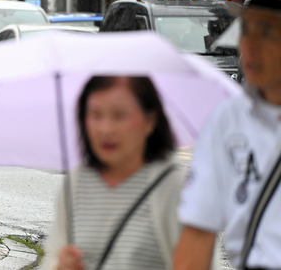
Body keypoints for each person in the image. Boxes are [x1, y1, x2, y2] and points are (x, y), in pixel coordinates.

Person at [174, 0, 281, 270]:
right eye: (246, 29)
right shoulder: (227, 120)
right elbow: (198, 231)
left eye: (267, 31)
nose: (251, 45)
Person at [44, 76, 185, 270]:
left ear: (150, 120)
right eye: (95, 114)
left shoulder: (174, 187)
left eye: (119, 115)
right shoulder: (76, 184)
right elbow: (54, 254)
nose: (105, 129)